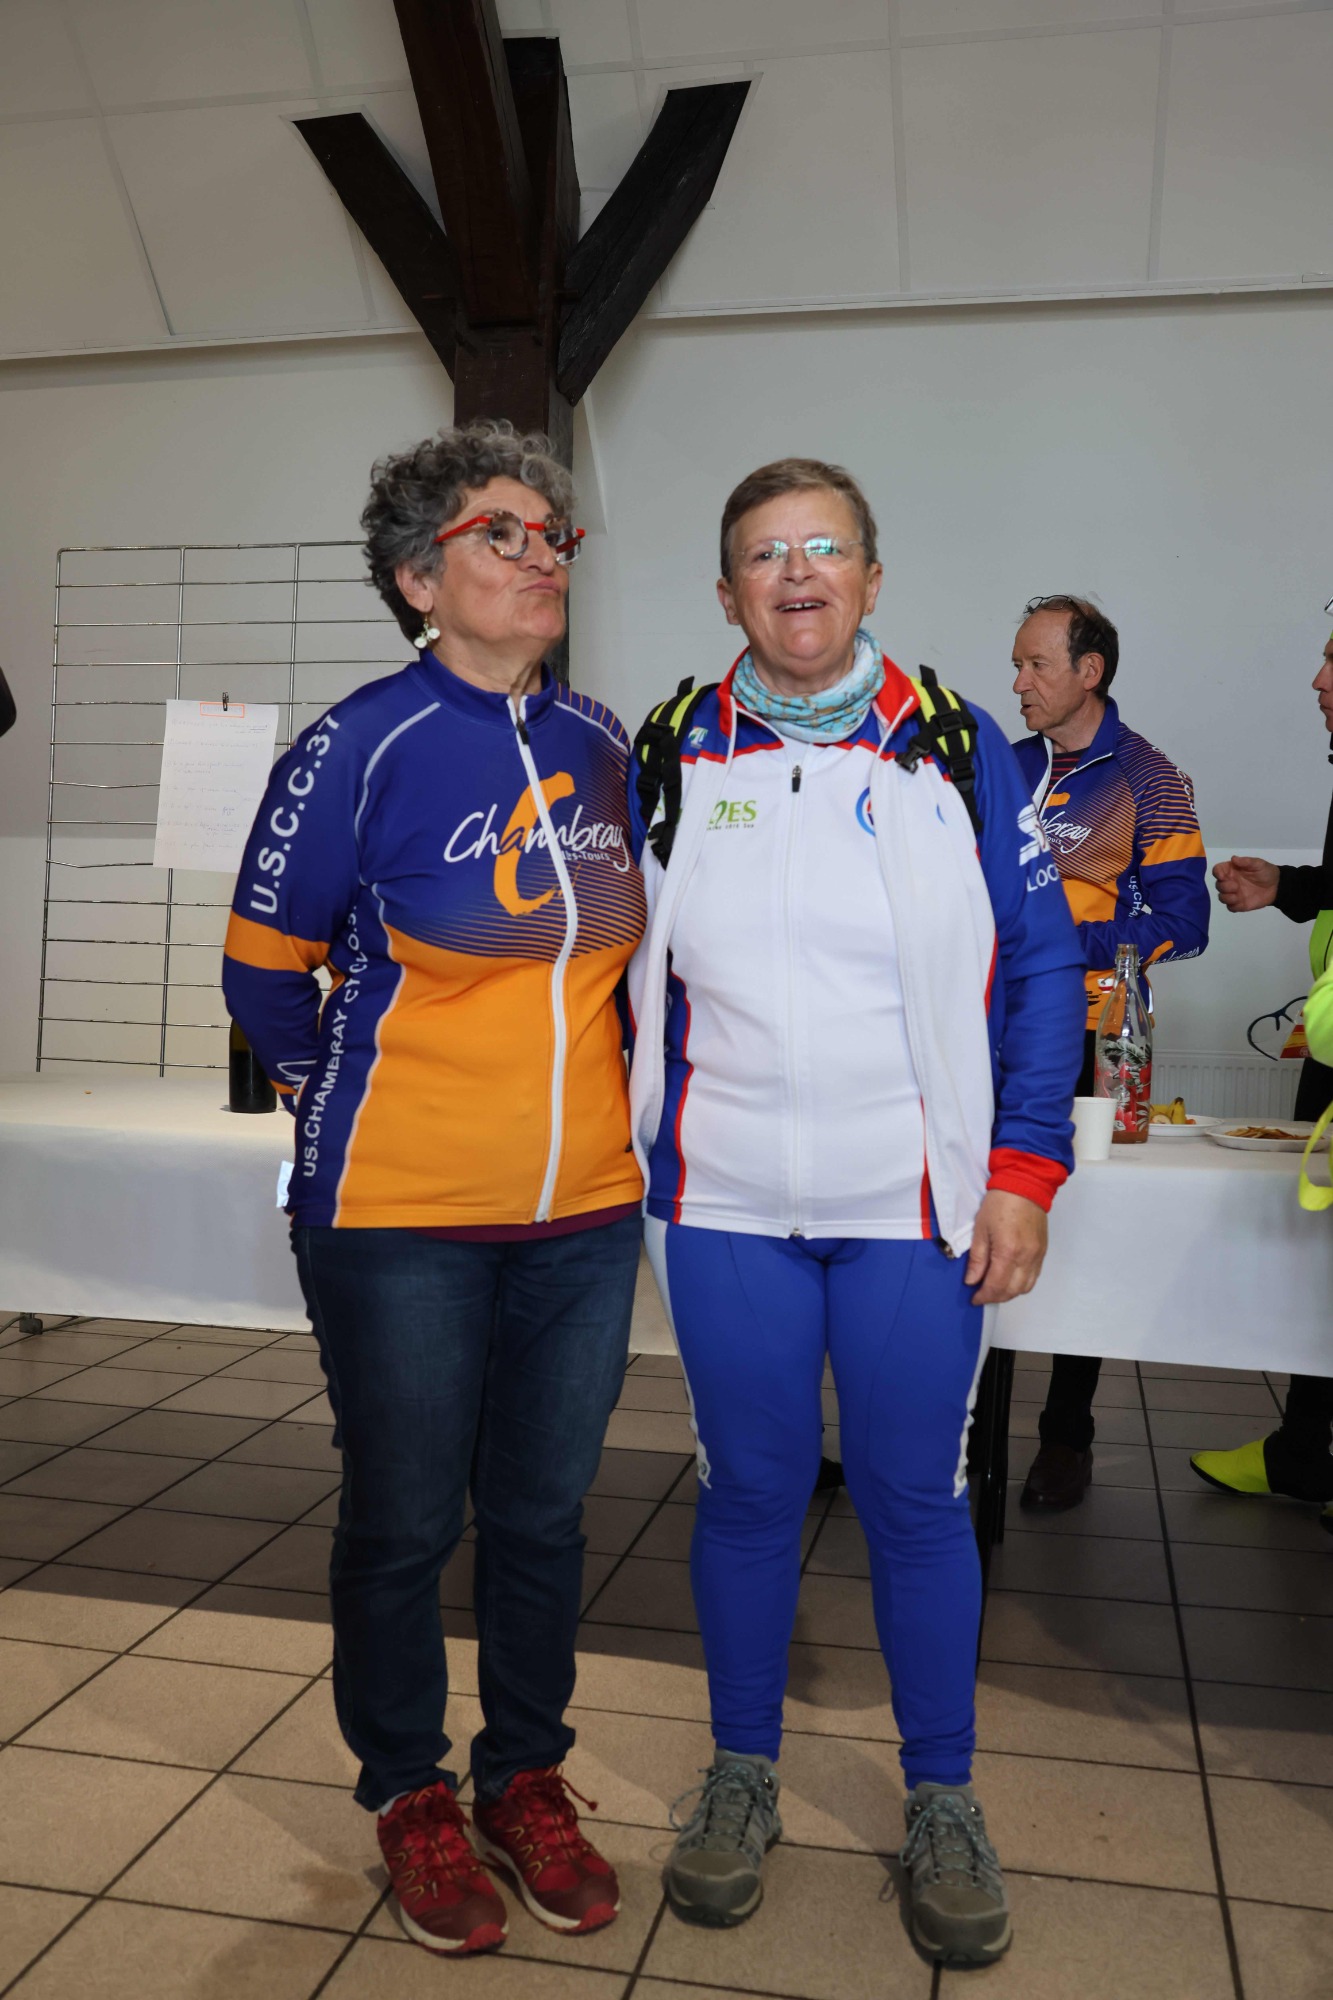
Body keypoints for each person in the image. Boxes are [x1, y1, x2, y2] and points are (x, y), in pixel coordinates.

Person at [627, 458, 1086, 1966]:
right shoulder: (672, 747)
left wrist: (1021, 1171)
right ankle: (741, 1772)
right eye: (766, 554)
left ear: (872, 579)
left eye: (825, 546)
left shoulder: (954, 745)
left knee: (912, 1499)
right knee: (749, 1494)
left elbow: (1040, 969)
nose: (798, 572)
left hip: (912, 1204)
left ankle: (941, 1795)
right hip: (725, 1199)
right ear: (728, 595)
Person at [222, 420, 646, 1957]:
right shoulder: (358, 745)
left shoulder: (600, 738)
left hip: (583, 1213)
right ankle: (408, 1789)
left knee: (541, 1515)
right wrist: (336, 1098)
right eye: (499, 535)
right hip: (398, 1216)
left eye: (551, 535)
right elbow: (263, 972)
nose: (539, 558)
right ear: (418, 577)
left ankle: (524, 1775)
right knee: (404, 1519)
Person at [1010, 596, 1209, 1510]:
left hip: (1089, 1034)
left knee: (1076, 1232)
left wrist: (1050, 943)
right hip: (990, 1027)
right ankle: (964, 1423)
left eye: (1036, 665)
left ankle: (1065, 1437)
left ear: (1088, 672)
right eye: (1016, 666)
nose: (1018, 684)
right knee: (972, 1216)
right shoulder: (1004, 767)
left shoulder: (1148, 779)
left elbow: (1183, 922)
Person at [1198, 627, 1333, 1529]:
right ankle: (1300, 1450)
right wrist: (1286, 886)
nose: (1317, 680)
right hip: (1327, 1042)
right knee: (1316, 1251)